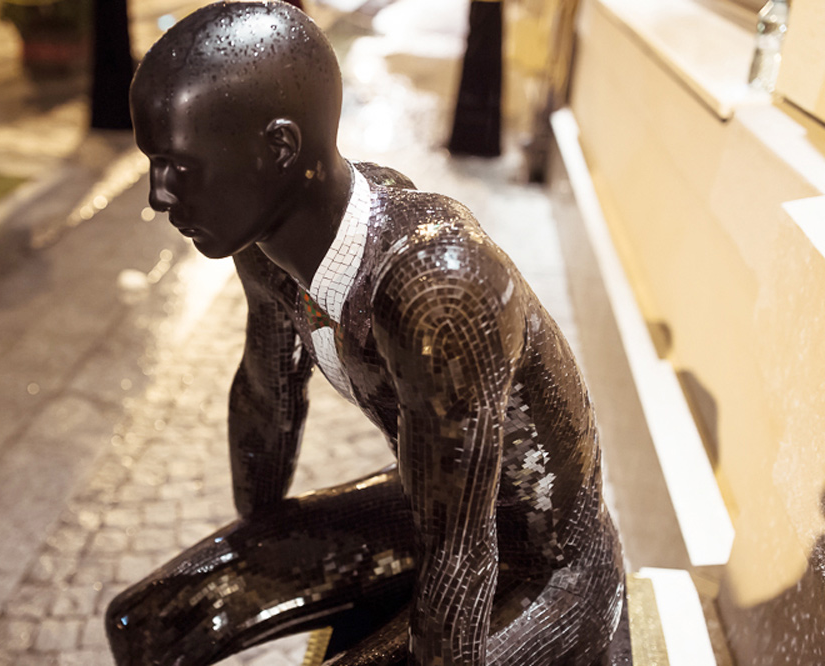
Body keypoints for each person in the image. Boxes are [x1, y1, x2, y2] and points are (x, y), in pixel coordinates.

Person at [106, 2, 625, 664]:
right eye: (156, 164)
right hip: (426, 511)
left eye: (181, 166)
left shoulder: (438, 289)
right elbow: (268, 400)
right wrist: (257, 555)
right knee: (147, 623)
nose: (159, 196)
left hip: (546, 568)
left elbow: (463, 554)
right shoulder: (262, 243)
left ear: (279, 148)